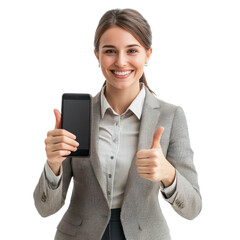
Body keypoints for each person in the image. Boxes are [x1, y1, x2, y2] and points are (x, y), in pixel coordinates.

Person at [34, 8, 202, 240]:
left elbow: (193, 208)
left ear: (148, 54)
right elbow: (45, 208)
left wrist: (168, 174)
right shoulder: (78, 114)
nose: (121, 62)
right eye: (110, 51)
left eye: (132, 50)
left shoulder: (170, 116)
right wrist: (53, 164)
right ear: (97, 55)